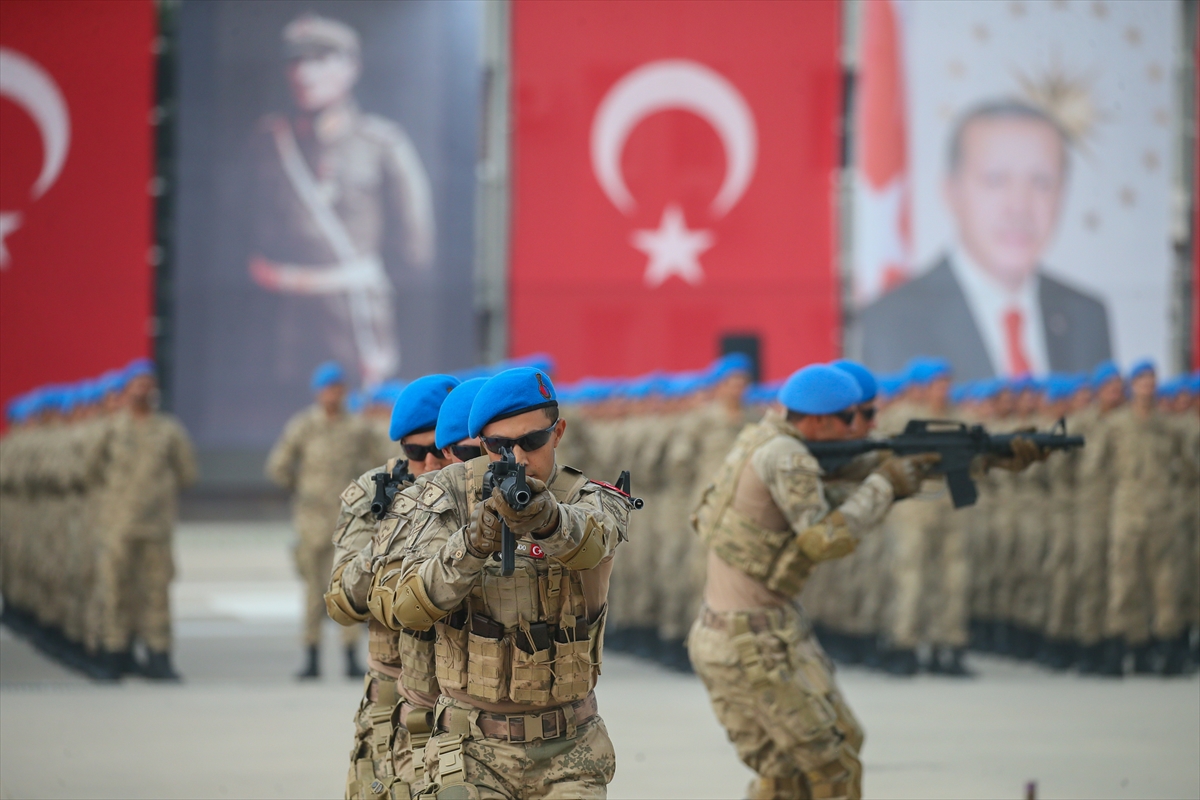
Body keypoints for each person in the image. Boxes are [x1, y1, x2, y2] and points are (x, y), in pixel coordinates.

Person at [687, 363, 1044, 799]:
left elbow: (870, 467)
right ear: (818, 420)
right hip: (748, 643)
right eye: (852, 417)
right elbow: (824, 539)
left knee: (810, 761)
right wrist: (884, 485)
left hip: (763, 631)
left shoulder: (771, 438)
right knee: (829, 769)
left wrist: (987, 456)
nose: (862, 426)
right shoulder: (786, 455)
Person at [369, 367, 633, 799]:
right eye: (498, 446)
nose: (518, 458)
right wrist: (471, 546)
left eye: (531, 441)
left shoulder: (590, 497)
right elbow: (403, 607)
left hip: (571, 750)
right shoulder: (439, 497)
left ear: (558, 432)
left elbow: (591, 542)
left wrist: (548, 521)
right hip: (469, 751)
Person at [855, 100, 1112, 381]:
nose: (1019, 206)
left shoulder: (1086, 315)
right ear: (951, 190)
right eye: (995, 179)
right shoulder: (891, 320)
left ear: (1062, 193)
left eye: (1041, 181)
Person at [247, 12, 434, 384]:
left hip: (355, 315)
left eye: (319, 60)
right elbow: (242, 223)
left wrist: (372, 283)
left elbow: (415, 247)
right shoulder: (269, 140)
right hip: (282, 318)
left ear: (351, 67)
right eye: (296, 61)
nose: (304, 74)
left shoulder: (381, 143)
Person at [326, 373, 463, 800]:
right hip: (394, 701)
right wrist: (395, 532)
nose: (428, 464)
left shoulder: (476, 491)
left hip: (467, 703)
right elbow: (343, 601)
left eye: (438, 450)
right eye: (414, 452)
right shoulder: (374, 493)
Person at [267, 361, 379, 679]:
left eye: (338, 388)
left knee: (349, 588)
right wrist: (303, 490)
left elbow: (378, 462)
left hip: (349, 524)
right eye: (328, 388)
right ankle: (311, 656)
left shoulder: (357, 427)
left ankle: (350, 656)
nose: (334, 394)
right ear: (319, 392)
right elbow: (278, 465)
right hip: (312, 524)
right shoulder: (304, 426)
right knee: (313, 591)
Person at [93, 360, 197, 680]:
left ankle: (158, 655)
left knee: (156, 592)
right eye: (136, 384)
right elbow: (91, 471)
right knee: (116, 590)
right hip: (118, 526)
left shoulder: (168, 430)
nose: (143, 389)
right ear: (126, 390)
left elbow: (187, 473)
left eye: (147, 383)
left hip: (156, 527)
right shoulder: (109, 430)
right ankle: (116, 653)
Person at [1089, 361, 1187, 675]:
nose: (1147, 387)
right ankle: (1118, 647)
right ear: (1133, 386)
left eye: (1152, 381)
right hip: (1127, 511)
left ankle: (1164, 650)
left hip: (1162, 513)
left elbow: (1184, 467)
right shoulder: (1115, 425)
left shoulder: (1167, 426)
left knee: (1164, 583)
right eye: (1142, 381)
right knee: (1124, 582)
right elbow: (1096, 471)